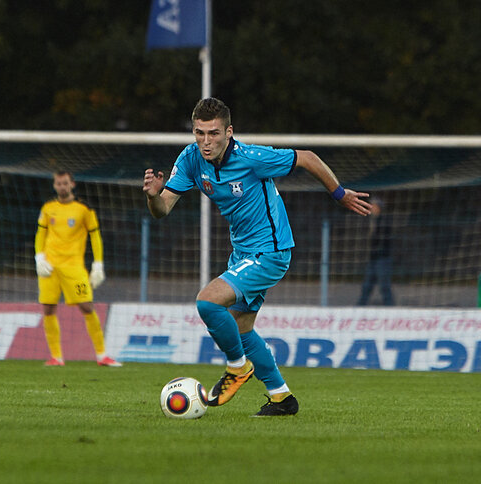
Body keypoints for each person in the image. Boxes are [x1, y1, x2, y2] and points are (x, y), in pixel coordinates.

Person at [142, 98, 370, 416]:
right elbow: (163, 209)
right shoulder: (192, 159)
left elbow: (307, 158)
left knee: (207, 302)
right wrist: (154, 197)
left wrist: (338, 193)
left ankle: (238, 368)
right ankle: (282, 398)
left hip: (271, 251)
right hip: (243, 253)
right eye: (199, 133)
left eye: (213, 133)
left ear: (229, 132)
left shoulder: (251, 158)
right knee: (242, 328)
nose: (206, 141)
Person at [35, 171, 121, 367]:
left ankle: (102, 355)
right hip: (50, 266)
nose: (62, 187)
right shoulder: (48, 208)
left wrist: (98, 264)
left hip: (74, 266)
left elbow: (95, 236)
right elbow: (40, 234)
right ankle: (56, 357)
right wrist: (39, 257)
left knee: (86, 306)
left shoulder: (84, 209)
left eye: (65, 183)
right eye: (58, 183)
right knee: (48, 308)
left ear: (72, 184)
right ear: (54, 185)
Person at [356, 196, 395, 306]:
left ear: (379, 208)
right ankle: (360, 306)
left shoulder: (383, 221)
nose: (371, 208)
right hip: (373, 258)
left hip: (382, 258)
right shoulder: (371, 221)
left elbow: (381, 239)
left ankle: (390, 307)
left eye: (373, 206)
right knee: (367, 285)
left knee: (384, 285)